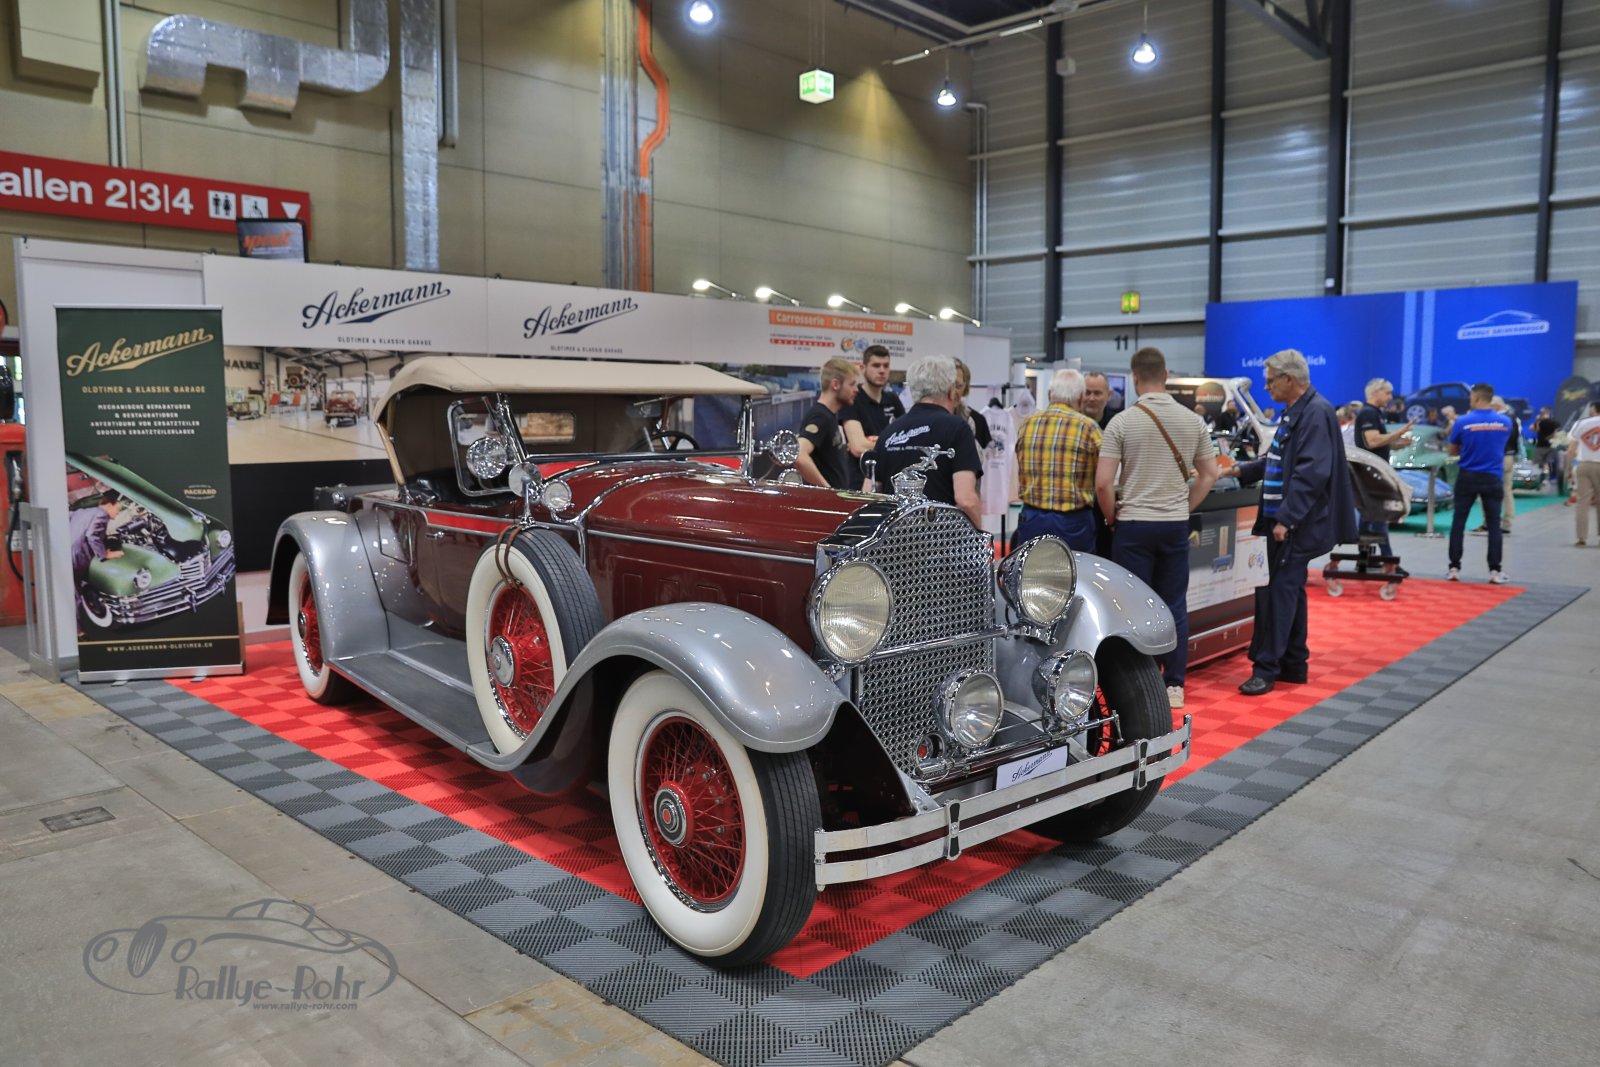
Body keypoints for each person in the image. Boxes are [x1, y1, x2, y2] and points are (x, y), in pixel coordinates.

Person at [1097, 347, 1218, 710]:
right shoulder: (1193, 421)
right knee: (1174, 602)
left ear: (1134, 378)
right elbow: (1210, 474)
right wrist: (1184, 506)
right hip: (1174, 524)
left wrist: (1111, 517)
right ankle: (1174, 683)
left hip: (1133, 524)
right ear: (1166, 375)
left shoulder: (1121, 422)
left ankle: (1137, 682)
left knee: (1132, 604)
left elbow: (1103, 483)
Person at [1234, 350, 1356, 696]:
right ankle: (1293, 663)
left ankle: (1265, 669)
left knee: (1279, 595)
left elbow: (1311, 474)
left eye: (1270, 380)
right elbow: (1279, 458)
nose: (1266, 387)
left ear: (1289, 379)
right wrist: (1240, 470)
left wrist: (1286, 519)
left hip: (1294, 524)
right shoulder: (1300, 411)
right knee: (1290, 591)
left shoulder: (1314, 412)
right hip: (1289, 520)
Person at [865, 355, 983, 527]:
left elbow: (869, 494)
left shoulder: (889, 432)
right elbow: (966, 500)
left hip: (894, 537)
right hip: (940, 537)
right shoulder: (958, 428)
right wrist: (980, 537)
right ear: (951, 391)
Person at [1013, 368, 1101, 553]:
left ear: (1049, 394)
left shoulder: (1027, 424)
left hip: (1032, 517)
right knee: (1077, 569)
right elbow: (1102, 477)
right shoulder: (1089, 428)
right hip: (1074, 523)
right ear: (1081, 397)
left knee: (1031, 569)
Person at [1445, 383, 1512, 584]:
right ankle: (1495, 571)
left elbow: (1452, 449)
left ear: (1475, 398)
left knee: (1459, 522)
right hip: (1492, 477)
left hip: (1467, 476)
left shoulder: (1462, 421)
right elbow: (1500, 445)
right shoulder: (1505, 422)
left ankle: (1454, 568)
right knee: (1494, 524)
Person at [1353, 378, 1415, 560]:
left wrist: (1398, 443)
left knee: (1370, 515)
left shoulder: (1374, 413)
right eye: (1387, 393)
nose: (1390, 397)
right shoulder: (1368, 413)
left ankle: (1365, 557)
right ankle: (1387, 559)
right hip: (1372, 474)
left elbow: (1379, 442)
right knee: (1380, 514)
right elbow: (1371, 441)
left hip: (1372, 472)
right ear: (1376, 392)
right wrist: (1397, 433)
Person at [843, 345, 906, 488]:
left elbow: (906, 443)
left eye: (886, 366)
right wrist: (892, 444)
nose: (882, 370)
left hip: (889, 480)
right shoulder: (853, 399)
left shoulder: (893, 400)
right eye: (876, 365)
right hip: (859, 481)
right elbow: (858, 447)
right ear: (863, 368)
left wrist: (872, 442)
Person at [795, 358, 858, 489]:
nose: (856, 389)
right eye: (852, 384)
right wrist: (827, 489)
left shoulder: (830, 415)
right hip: (826, 498)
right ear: (835, 384)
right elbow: (799, 454)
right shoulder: (820, 417)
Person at [1479, 396, 1520, 535]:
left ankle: (1488, 523)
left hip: (1495, 458)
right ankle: (1507, 524)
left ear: (1495, 406)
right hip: (1509, 456)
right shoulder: (1512, 418)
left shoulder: (1497, 420)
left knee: (1487, 491)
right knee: (1507, 491)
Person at [1567, 400, 1600, 546]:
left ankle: (1582, 537)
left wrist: (1569, 469)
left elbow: (1571, 449)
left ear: (1593, 409)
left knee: (1582, 502)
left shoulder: (1581, 423)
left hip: (1584, 465)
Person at [70, 489, 124, 577]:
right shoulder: (102, 514)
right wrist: (104, 555)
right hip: (79, 558)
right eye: (118, 509)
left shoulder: (82, 511)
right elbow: (92, 535)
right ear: (109, 505)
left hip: (69, 553)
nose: (118, 512)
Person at [952, 359, 993, 451]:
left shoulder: (977, 420)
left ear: (965, 387)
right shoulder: (931, 420)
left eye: (958, 386)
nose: (952, 392)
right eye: (948, 385)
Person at [1532, 406, 1560, 486]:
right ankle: (1542, 479)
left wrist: (1538, 421)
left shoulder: (1550, 422)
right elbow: (1534, 429)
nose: (1541, 414)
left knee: (1547, 463)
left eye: (1543, 412)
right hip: (1543, 445)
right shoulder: (1544, 422)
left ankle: (1548, 478)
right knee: (1542, 463)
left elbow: (1535, 429)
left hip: (1547, 446)